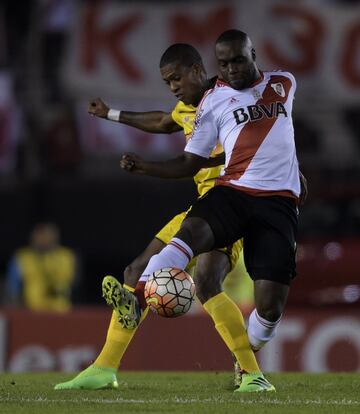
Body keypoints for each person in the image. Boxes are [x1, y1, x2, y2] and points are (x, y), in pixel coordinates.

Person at [55, 43, 262, 392]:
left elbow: (230, 151)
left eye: (177, 78)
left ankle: (252, 373)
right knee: (136, 272)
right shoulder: (186, 108)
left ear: (198, 69)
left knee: (208, 282)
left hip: (233, 204)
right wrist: (111, 114)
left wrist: (171, 163)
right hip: (203, 208)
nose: (174, 87)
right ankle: (104, 368)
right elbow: (164, 120)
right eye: (168, 82)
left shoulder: (229, 98)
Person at [116, 29, 301, 393]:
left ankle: (248, 355)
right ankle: (138, 291)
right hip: (232, 190)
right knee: (192, 231)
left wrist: (298, 171)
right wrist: (146, 166)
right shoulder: (212, 102)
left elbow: (282, 134)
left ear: (253, 54)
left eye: (238, 60)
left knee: (269, 309)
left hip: (278, 202)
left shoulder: (285, 83)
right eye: (224, 63)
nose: (231, 69)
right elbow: (189, 161)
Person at [5, 222, 79, 312]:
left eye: (46, 235)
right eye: (39, 236)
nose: (43, 239)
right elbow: (12, 289)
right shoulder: (22, 258)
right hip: (32, 312)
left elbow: (77, 287)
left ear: (55, 237)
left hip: (62, 312)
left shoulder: (67, 257)